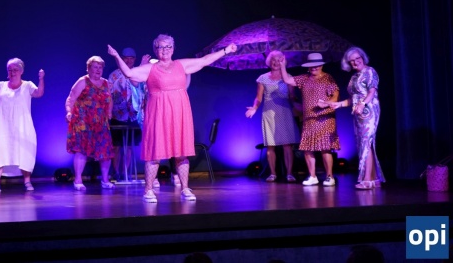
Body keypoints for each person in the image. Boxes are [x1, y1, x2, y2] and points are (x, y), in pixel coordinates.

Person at [108, 35, 237, 203]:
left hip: (179, 113)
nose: (165, 50)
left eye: (168, 46)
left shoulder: (181, 65)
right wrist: (116, 56)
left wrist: (226, 50)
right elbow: (129, 73)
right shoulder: (150, 68)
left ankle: (185, 188)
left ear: (173, 49)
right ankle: (148, 190)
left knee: (181, 153)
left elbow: (204, 60)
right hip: (158, 113)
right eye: (161, 47)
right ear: (156, 50)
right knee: (155, 153)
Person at [0, 58, 45, 193]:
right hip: (3, 127)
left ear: (21, 71)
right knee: (0, 152)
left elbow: (39, 93)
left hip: (23, 127)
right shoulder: (1, 86)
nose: (12, 72)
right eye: (10, 70)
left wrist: (41, 79)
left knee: (24, 153)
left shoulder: (27, 85)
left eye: (15, 70)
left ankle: (27, 181)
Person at [328, 47, 385, 189]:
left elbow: (372, 92)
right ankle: (374, 179)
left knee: (366, 142)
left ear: (362, 57)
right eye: (351, 61)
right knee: (364, 143)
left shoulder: (370, 71)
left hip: (369, 110)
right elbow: (352, 99)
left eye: (357, 58)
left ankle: (367, 180)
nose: (355, 62)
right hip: (358, 112)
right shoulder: (354, 77)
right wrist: (338, 104)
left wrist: (363, 104)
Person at [280, 52, 340, 187]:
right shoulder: (304, 78)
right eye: (312, 65)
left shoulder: (328, 78)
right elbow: (288, 80)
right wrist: (283, 66)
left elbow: (335, 96)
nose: (314, 67)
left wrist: (327, 103)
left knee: (325, 148)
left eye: (317, 65)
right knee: (308, 148)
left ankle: (329, 177)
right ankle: (312, 176)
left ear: (321, 65)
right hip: (309, 119)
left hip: (324, 118)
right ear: (308, 66)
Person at [245, 50, 300, 183]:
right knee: (270, 145)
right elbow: (258, 97)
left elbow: (292, 96)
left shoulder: (288, 77)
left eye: (279, 60)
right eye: (273, 60)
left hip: (285, 112)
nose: (275, 62)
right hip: (269, 113)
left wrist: (298, 105)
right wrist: (254, 108)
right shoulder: (262, 78)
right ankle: (273, 174)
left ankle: (289, 173)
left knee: (287, 145)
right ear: (269, 62)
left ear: (283, 62)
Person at [65, 55, 115, 191]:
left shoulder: (106, 83)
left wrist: (109, 112)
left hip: (101, 122)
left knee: (106, 151)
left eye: (100, 68)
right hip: (83, 122)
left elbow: (109, 99)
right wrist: (69, 112)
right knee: (81, 150)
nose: (98, 70)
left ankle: (105, 180)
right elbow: (71, 98)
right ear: (88, 69)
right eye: (95, 67)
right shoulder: (83, 81)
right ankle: (78, 180)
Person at [108, 47, 150, 182]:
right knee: (117, 146)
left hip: (134, 115)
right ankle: (116, 173)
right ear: (122, 58)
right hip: (118, 115)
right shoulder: (114, 75)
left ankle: (126, 173)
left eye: (131, 58)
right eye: (126, 58)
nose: (129, 61)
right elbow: (109, 95)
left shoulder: (139, 73)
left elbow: (144, 92)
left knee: (129, 146)